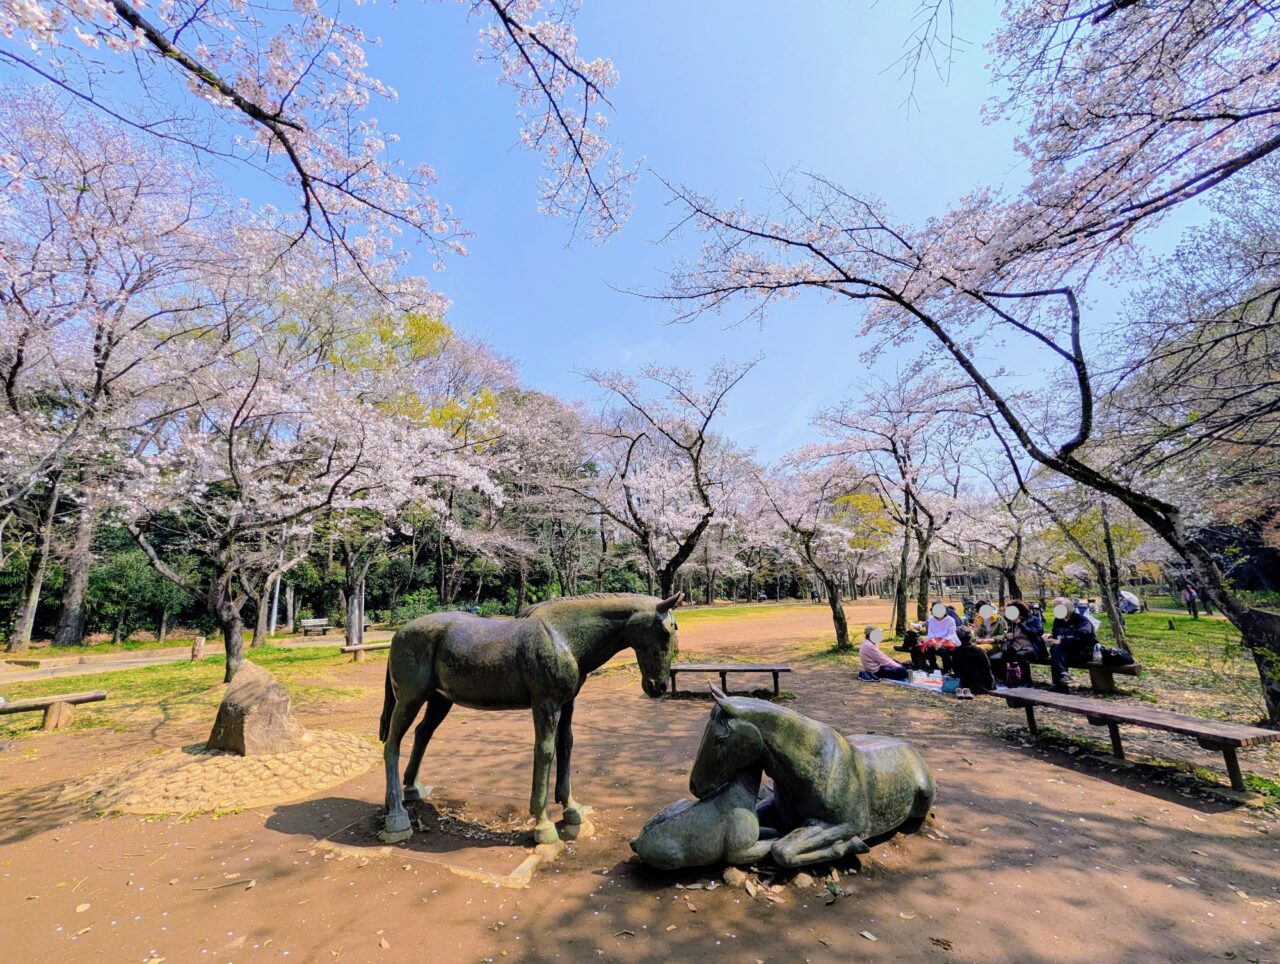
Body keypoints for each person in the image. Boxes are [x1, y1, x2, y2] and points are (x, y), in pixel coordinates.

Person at [1045, 596, 1098, 692]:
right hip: (1065, 651)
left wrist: (1061, 641)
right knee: (1055, 649)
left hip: (1083, 651)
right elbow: (1056, 635)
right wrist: (1050, 637)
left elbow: (1083, 638)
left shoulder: (1081, 620)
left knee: (1056, 651)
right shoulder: (1058, 620)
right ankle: (1062, 677)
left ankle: (1061, 680)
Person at [991, 600, 1046, 688]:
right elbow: (1009, 634)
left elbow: (1034, 633)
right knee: (998, 657)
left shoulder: (1033, 619)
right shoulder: (1012, 622)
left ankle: (1027, 681)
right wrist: (1008, 636)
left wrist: (1019, 623)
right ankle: (1004, 679)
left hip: (1032, 648)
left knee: (1020, 655)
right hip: (1016, 646)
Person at [921, 602, 961, 674]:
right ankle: (933, 667)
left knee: (943, 650)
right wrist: (933, 641)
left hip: (948, 639)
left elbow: (951, 634)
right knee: (929, 648)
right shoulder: (931, 619)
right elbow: (930, 632)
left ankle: (947, 668)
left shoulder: (950, 620)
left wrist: (940, 643)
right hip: (934, 639)